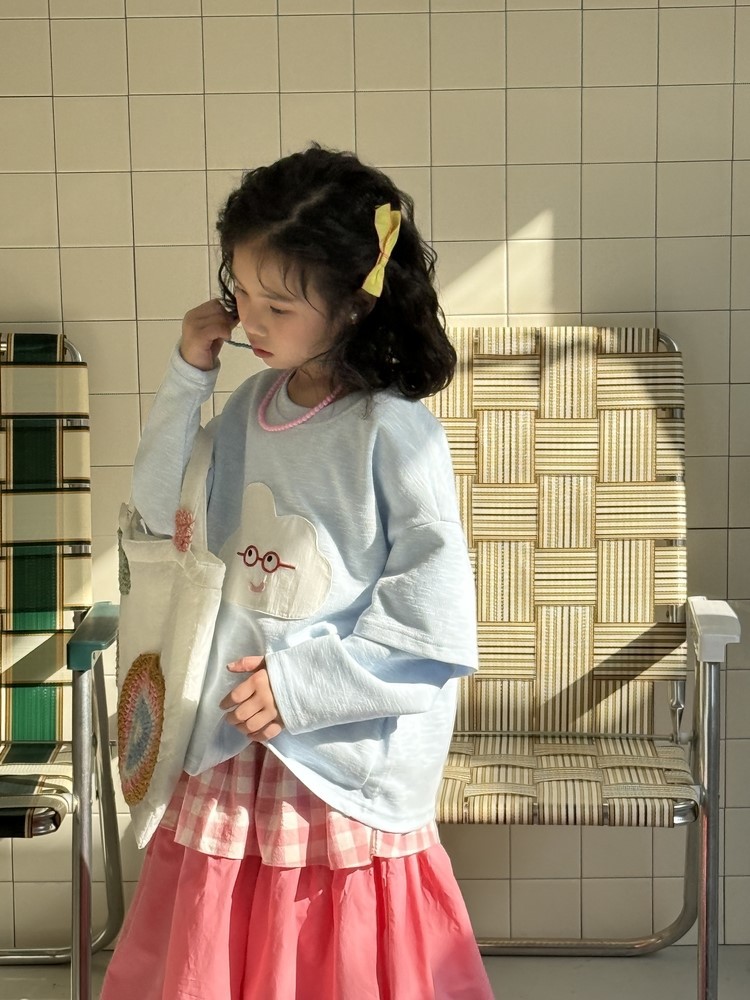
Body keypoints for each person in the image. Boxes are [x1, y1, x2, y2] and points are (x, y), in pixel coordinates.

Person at [101, 145, 494, 1000]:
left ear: (355, 302)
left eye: (277, 304)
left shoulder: (394, 434)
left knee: (327, 957)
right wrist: (188, 376)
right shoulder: (250, 406)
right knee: (217, 954)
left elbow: (431, 617)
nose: (250, 320)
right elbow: (161, 511)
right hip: (234, 739)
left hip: (332, 752)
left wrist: (300, 687)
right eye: (240, 291)